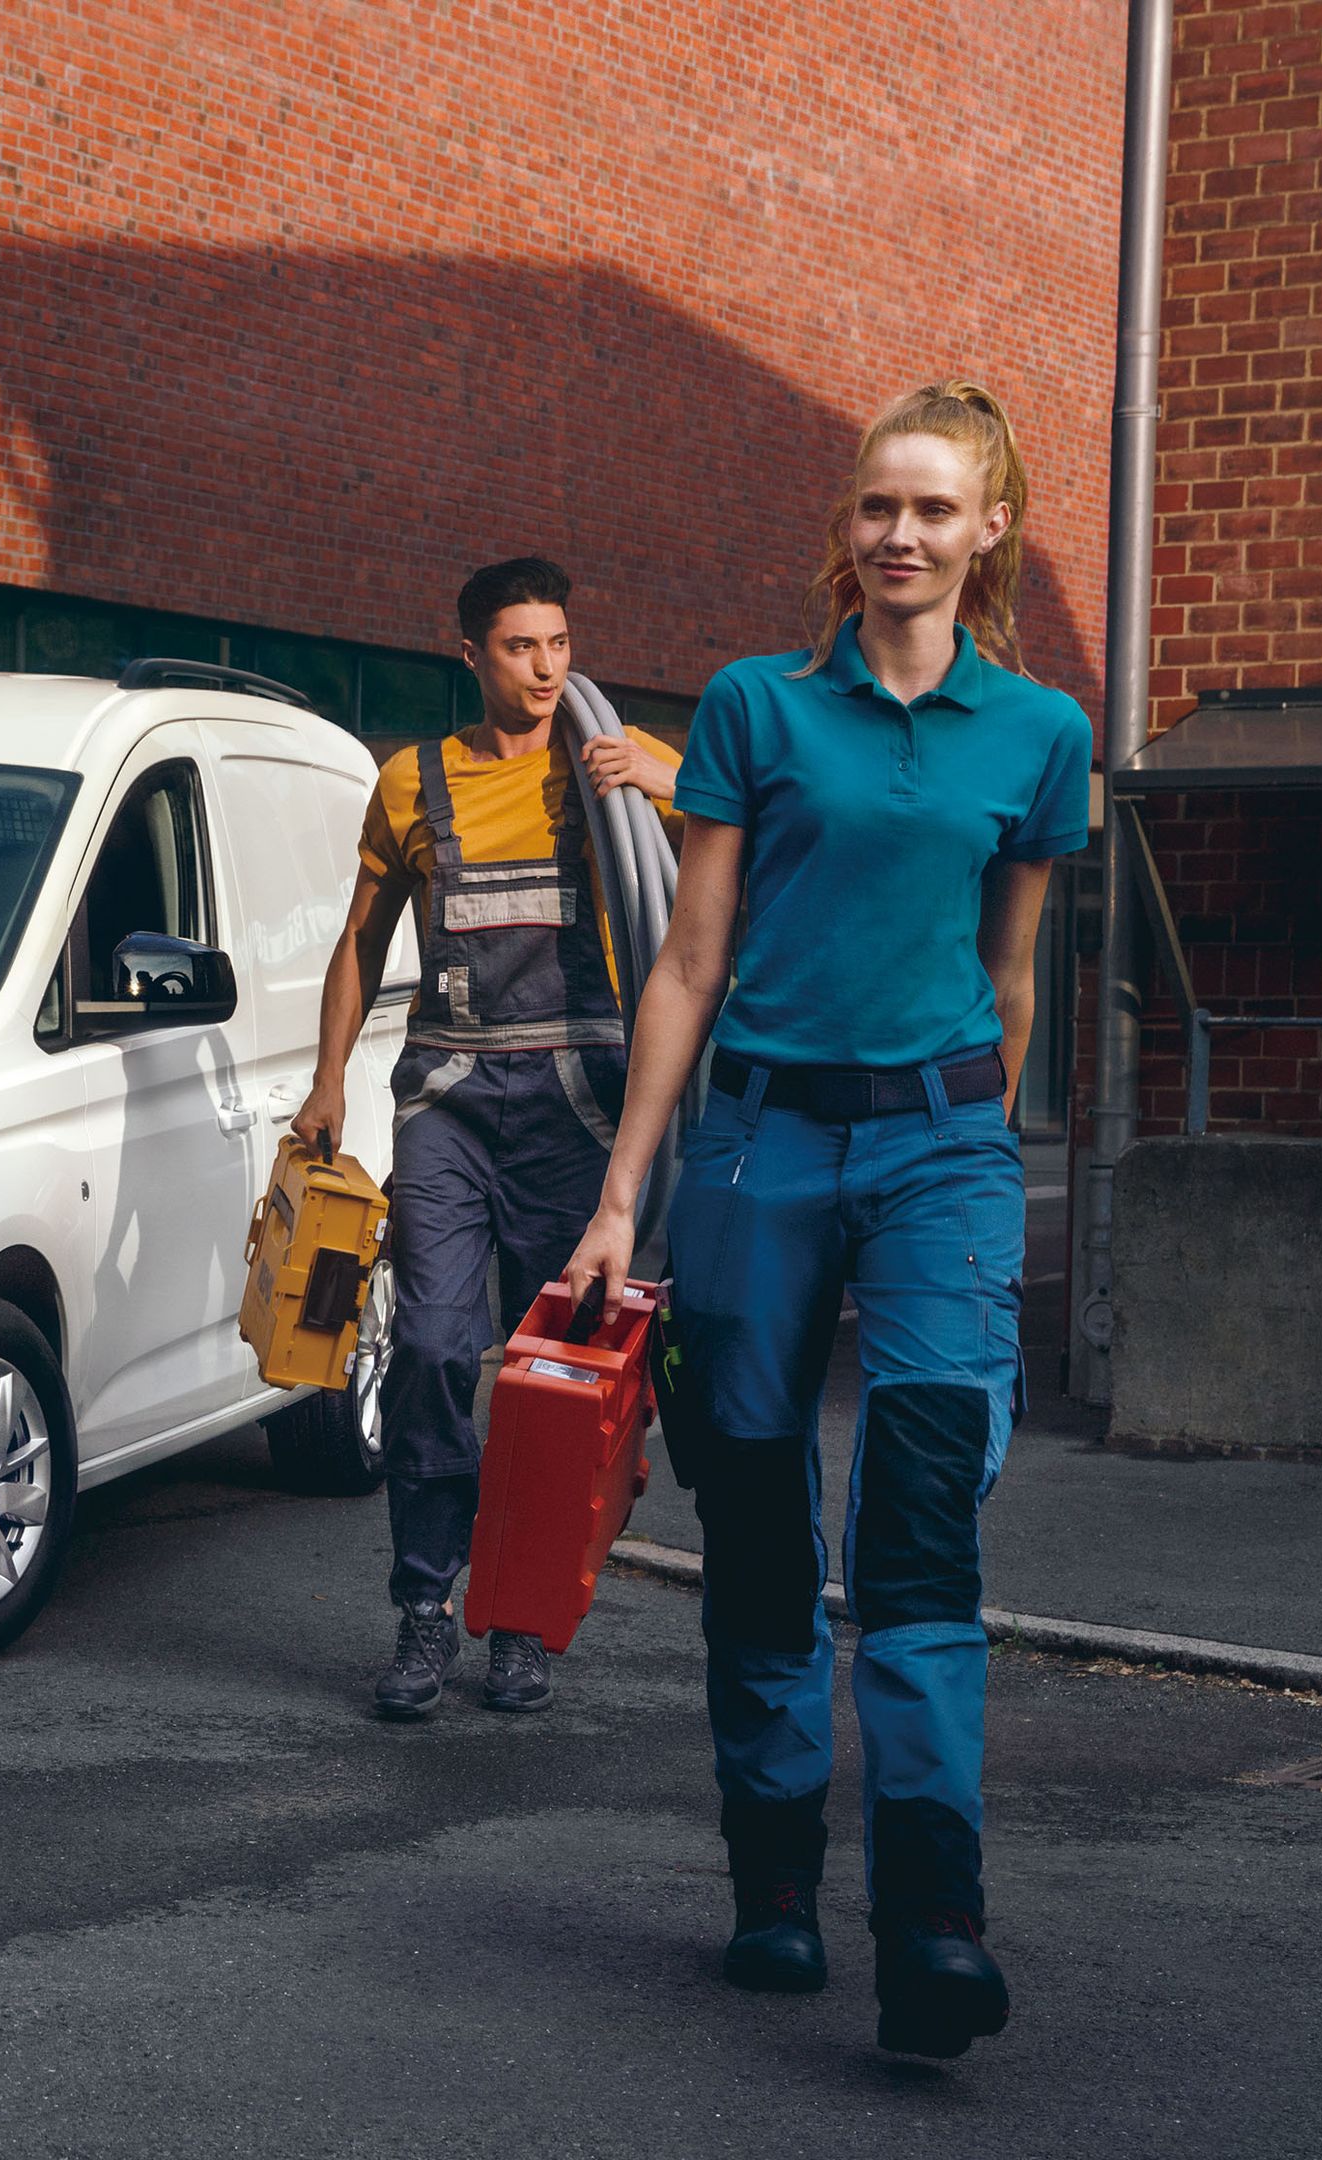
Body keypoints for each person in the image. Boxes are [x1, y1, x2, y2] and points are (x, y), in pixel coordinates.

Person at [555, 383, 1088, 2059]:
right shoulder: (753, 710)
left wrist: (973, 1147)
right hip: (759, 1148)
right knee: (765, 1532)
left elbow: (1012, 974)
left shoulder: (1039, 735)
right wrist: (622, 1193)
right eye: (877, 508)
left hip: (937, 1152)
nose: (901, 536)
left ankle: (935, 1920)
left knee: (922, 1524)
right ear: (845, 527)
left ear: (989, 530)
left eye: (933, 510)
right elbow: (691, 965)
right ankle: (775, 1884)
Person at [292, 555, 679, 1720]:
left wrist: (670, 770)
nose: (549, 666)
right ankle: (423, 1607)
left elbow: (771, 818)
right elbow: (362, 942)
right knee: (429, 1354)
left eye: (560, 641)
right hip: (452, 1101)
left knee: (553, 1381)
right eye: (521, 646)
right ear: (470, 654)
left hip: (579, 1102)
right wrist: (326, 1083)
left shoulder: (616, 770)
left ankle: (520, 1622)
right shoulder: (412, 783)